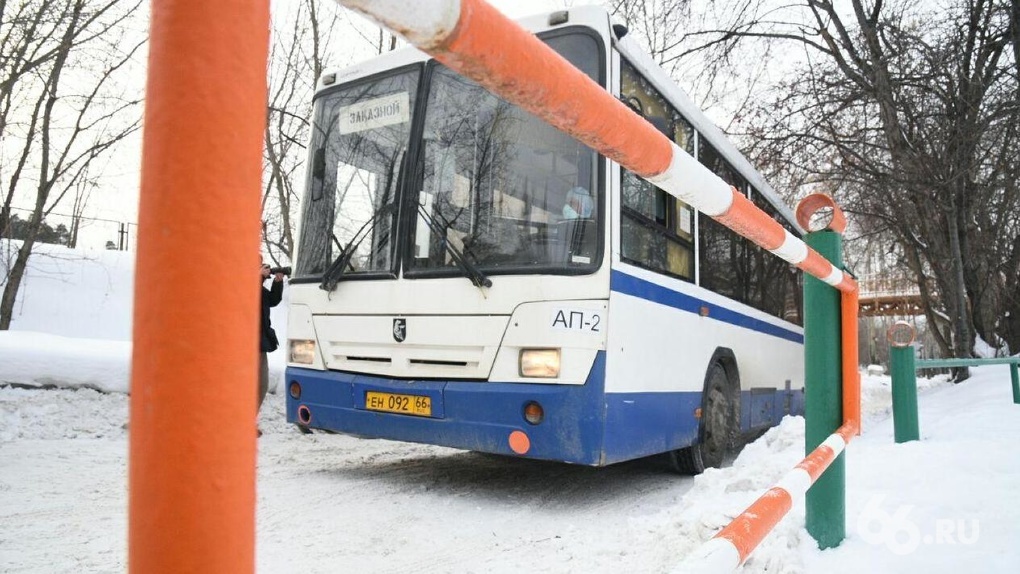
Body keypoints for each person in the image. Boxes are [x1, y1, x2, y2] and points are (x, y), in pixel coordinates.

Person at [258, 260, 285, 431]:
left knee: (261, 384)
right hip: (245, 345)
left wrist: (278, 282)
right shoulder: (242, 285)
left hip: (260, 343)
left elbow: (273, 300)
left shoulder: (259, 289)